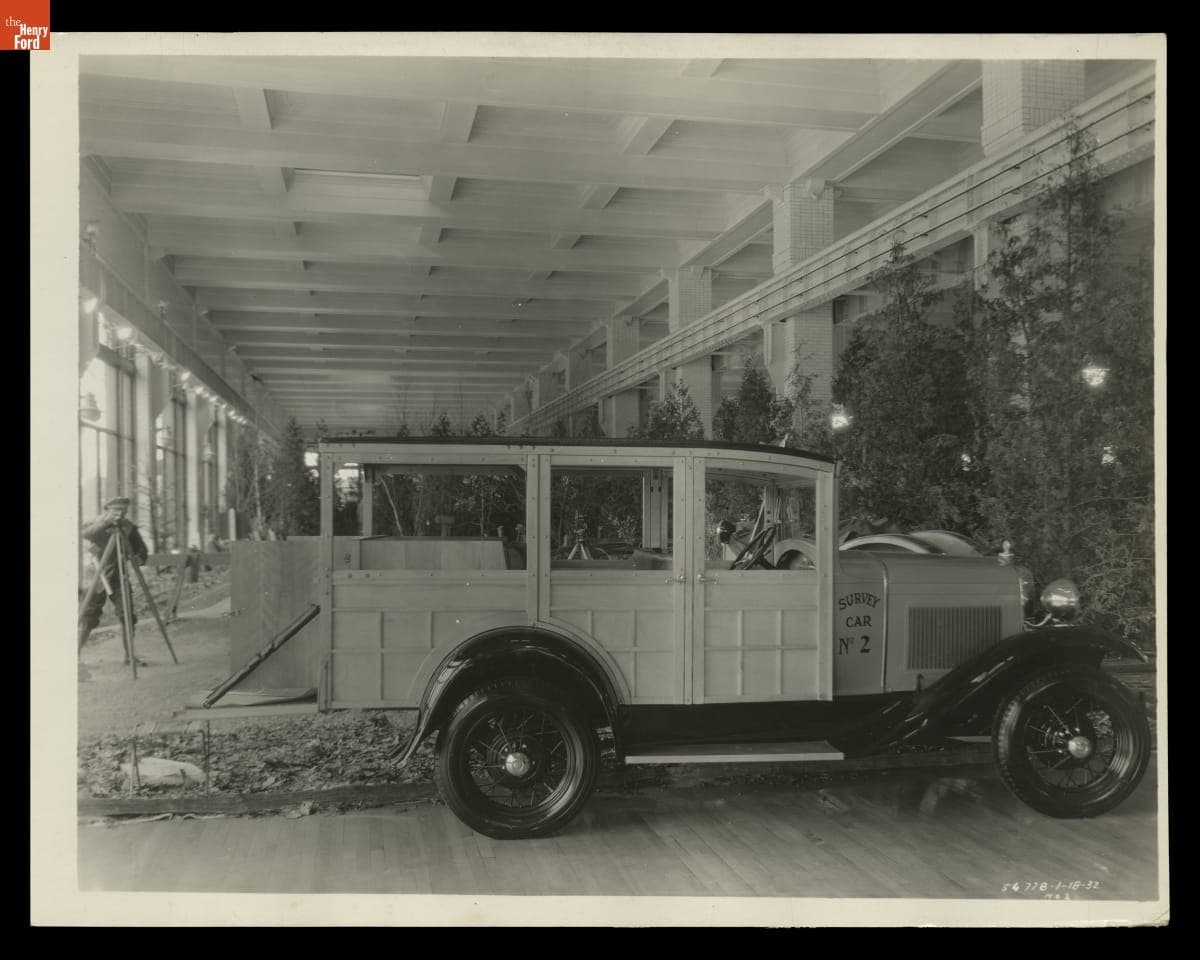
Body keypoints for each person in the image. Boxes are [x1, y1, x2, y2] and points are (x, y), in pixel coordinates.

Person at [78, 496, 150, 672]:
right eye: (116, 511)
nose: (120, 514)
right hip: (96, 575)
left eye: (123, 511)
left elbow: (141, 548)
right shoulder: (95, 524)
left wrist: (140, 557)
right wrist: (104, 525)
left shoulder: (128, 527)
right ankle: (74, 655)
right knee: (89, 616)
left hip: (118, 576)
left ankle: (129, 656)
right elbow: (84, 535)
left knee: (127, 615)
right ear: (107, 510)